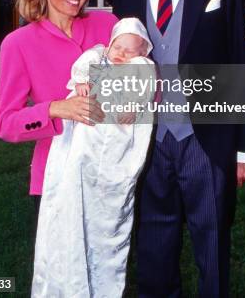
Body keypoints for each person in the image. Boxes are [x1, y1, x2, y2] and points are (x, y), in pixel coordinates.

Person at [113, 0, 245, 298]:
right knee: (154, 251)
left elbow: (238, 59)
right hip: (149, 140)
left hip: (207, 138)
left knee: (212, 248)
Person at [31, 17, 156, 298]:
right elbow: (83, 69)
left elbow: (145, 88)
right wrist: (82, 81)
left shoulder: (142, 67)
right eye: (118, 47)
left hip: (117, 150)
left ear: (143, 52)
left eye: (131, 50)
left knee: (108, 226)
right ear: (109, 45)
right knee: (73, 211)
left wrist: (136, 104)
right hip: (84, 144)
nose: (122, 54)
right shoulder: (96, 57)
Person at [0, 0, 118, 200]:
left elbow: (145, 89)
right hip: (56, 176)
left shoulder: (109, 25)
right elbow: (7, 124)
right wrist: (55, 109)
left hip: (112, 171)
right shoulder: (18, 44)